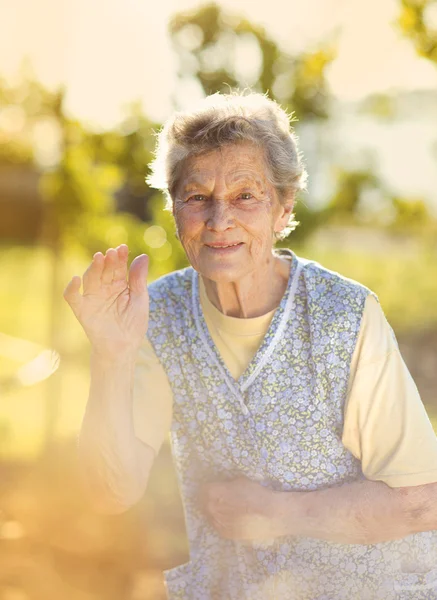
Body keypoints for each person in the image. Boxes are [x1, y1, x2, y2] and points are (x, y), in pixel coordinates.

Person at [64, 91, 437, 600]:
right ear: (174, 208)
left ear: (283, 209)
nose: (219, 221)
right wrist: (112, 354)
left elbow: (421, 503)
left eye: (245, 195)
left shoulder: (342, 316)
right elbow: (110, 493)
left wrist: (276, 513)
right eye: (197, 197)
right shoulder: (156, 315)